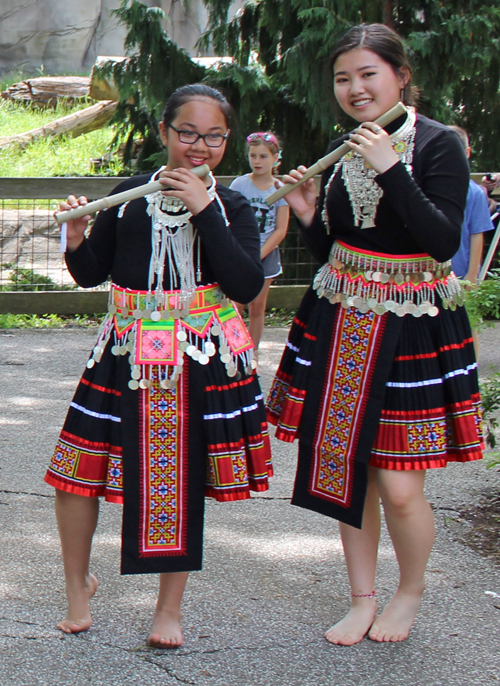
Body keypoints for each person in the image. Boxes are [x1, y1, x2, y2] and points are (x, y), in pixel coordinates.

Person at [266, 24, 483, 645]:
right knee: (347, 466)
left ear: (400, 76)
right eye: (343, 78)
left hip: (413, 325)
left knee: (400, 482)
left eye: (368, 74)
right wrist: (308, 212)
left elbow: (442, 243)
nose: (355, 88)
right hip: (341, 320)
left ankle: (408, 593)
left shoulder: (436, 144)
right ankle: (361, 597)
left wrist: (390, 168)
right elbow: (342, 248)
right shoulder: (345, 146)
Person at [45, 83, 272, 648]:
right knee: (77, 473)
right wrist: (76, 240)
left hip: (198, 353)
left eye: (214, 136)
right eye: (187, 133)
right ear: (165, 132)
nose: (199, 146)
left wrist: (203, 208)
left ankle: (167, 609)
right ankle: (78, 589)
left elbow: (245, 283)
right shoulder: (128, 195)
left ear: (227, 140)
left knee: (181, 477)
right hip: (125, 351)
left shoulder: (235, 205)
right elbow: (93, 273)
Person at [229, 132, 290, 350]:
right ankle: (233, 349)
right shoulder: (239, 185)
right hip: (241, 252)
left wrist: (259, 253)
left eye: (263, 156)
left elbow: (281, 229)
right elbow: (230, 220)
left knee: (257, 306)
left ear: (275, 158)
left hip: (266, 254)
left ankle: (252, 354)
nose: (257, 161)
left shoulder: (282, 189)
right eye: (253, 156)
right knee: (235, 304)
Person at [447, 126, 493, 284]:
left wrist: (472, 276)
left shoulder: (474, 192)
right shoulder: (426, 187)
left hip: (460, 275)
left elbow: (477, 234)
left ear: (467, 153)